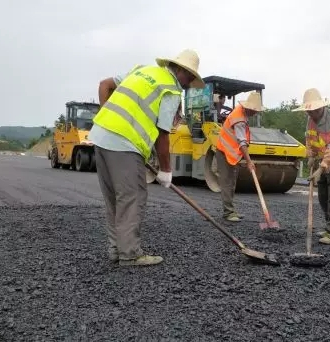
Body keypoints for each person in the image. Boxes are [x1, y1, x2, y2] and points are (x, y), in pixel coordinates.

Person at [89, 49, 205, 266]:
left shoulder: (142, 71)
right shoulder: (170, 90)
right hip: (124, 143)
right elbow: (163, 134)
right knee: (133, 196)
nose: (189, 82)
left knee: (115, 197)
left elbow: (104, 84)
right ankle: (130, 253)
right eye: (189, 76)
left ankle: (117, 249)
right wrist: (166, 170)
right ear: (179, 70)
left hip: (101, 135)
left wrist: (108, 119)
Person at [293, 88, 330, 245]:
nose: (311, 114)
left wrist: (320, 169)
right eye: (308, 111)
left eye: (313, 110)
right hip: (323, 157)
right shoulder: (311, 119)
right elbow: (310, 137)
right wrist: (310, 156)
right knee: (323, 195)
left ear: (321, 107)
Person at [215, 91, 264, 221]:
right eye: (254, 110)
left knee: (232, 182)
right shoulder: (239, 118)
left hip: (231, 153)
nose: (255, 113)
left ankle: (231, 210)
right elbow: (242, 142)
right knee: (227, 182)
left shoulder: (242, 112)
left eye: (256, 111)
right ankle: (228, 212)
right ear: (248, 107)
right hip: (224, 151)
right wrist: (249, 161)